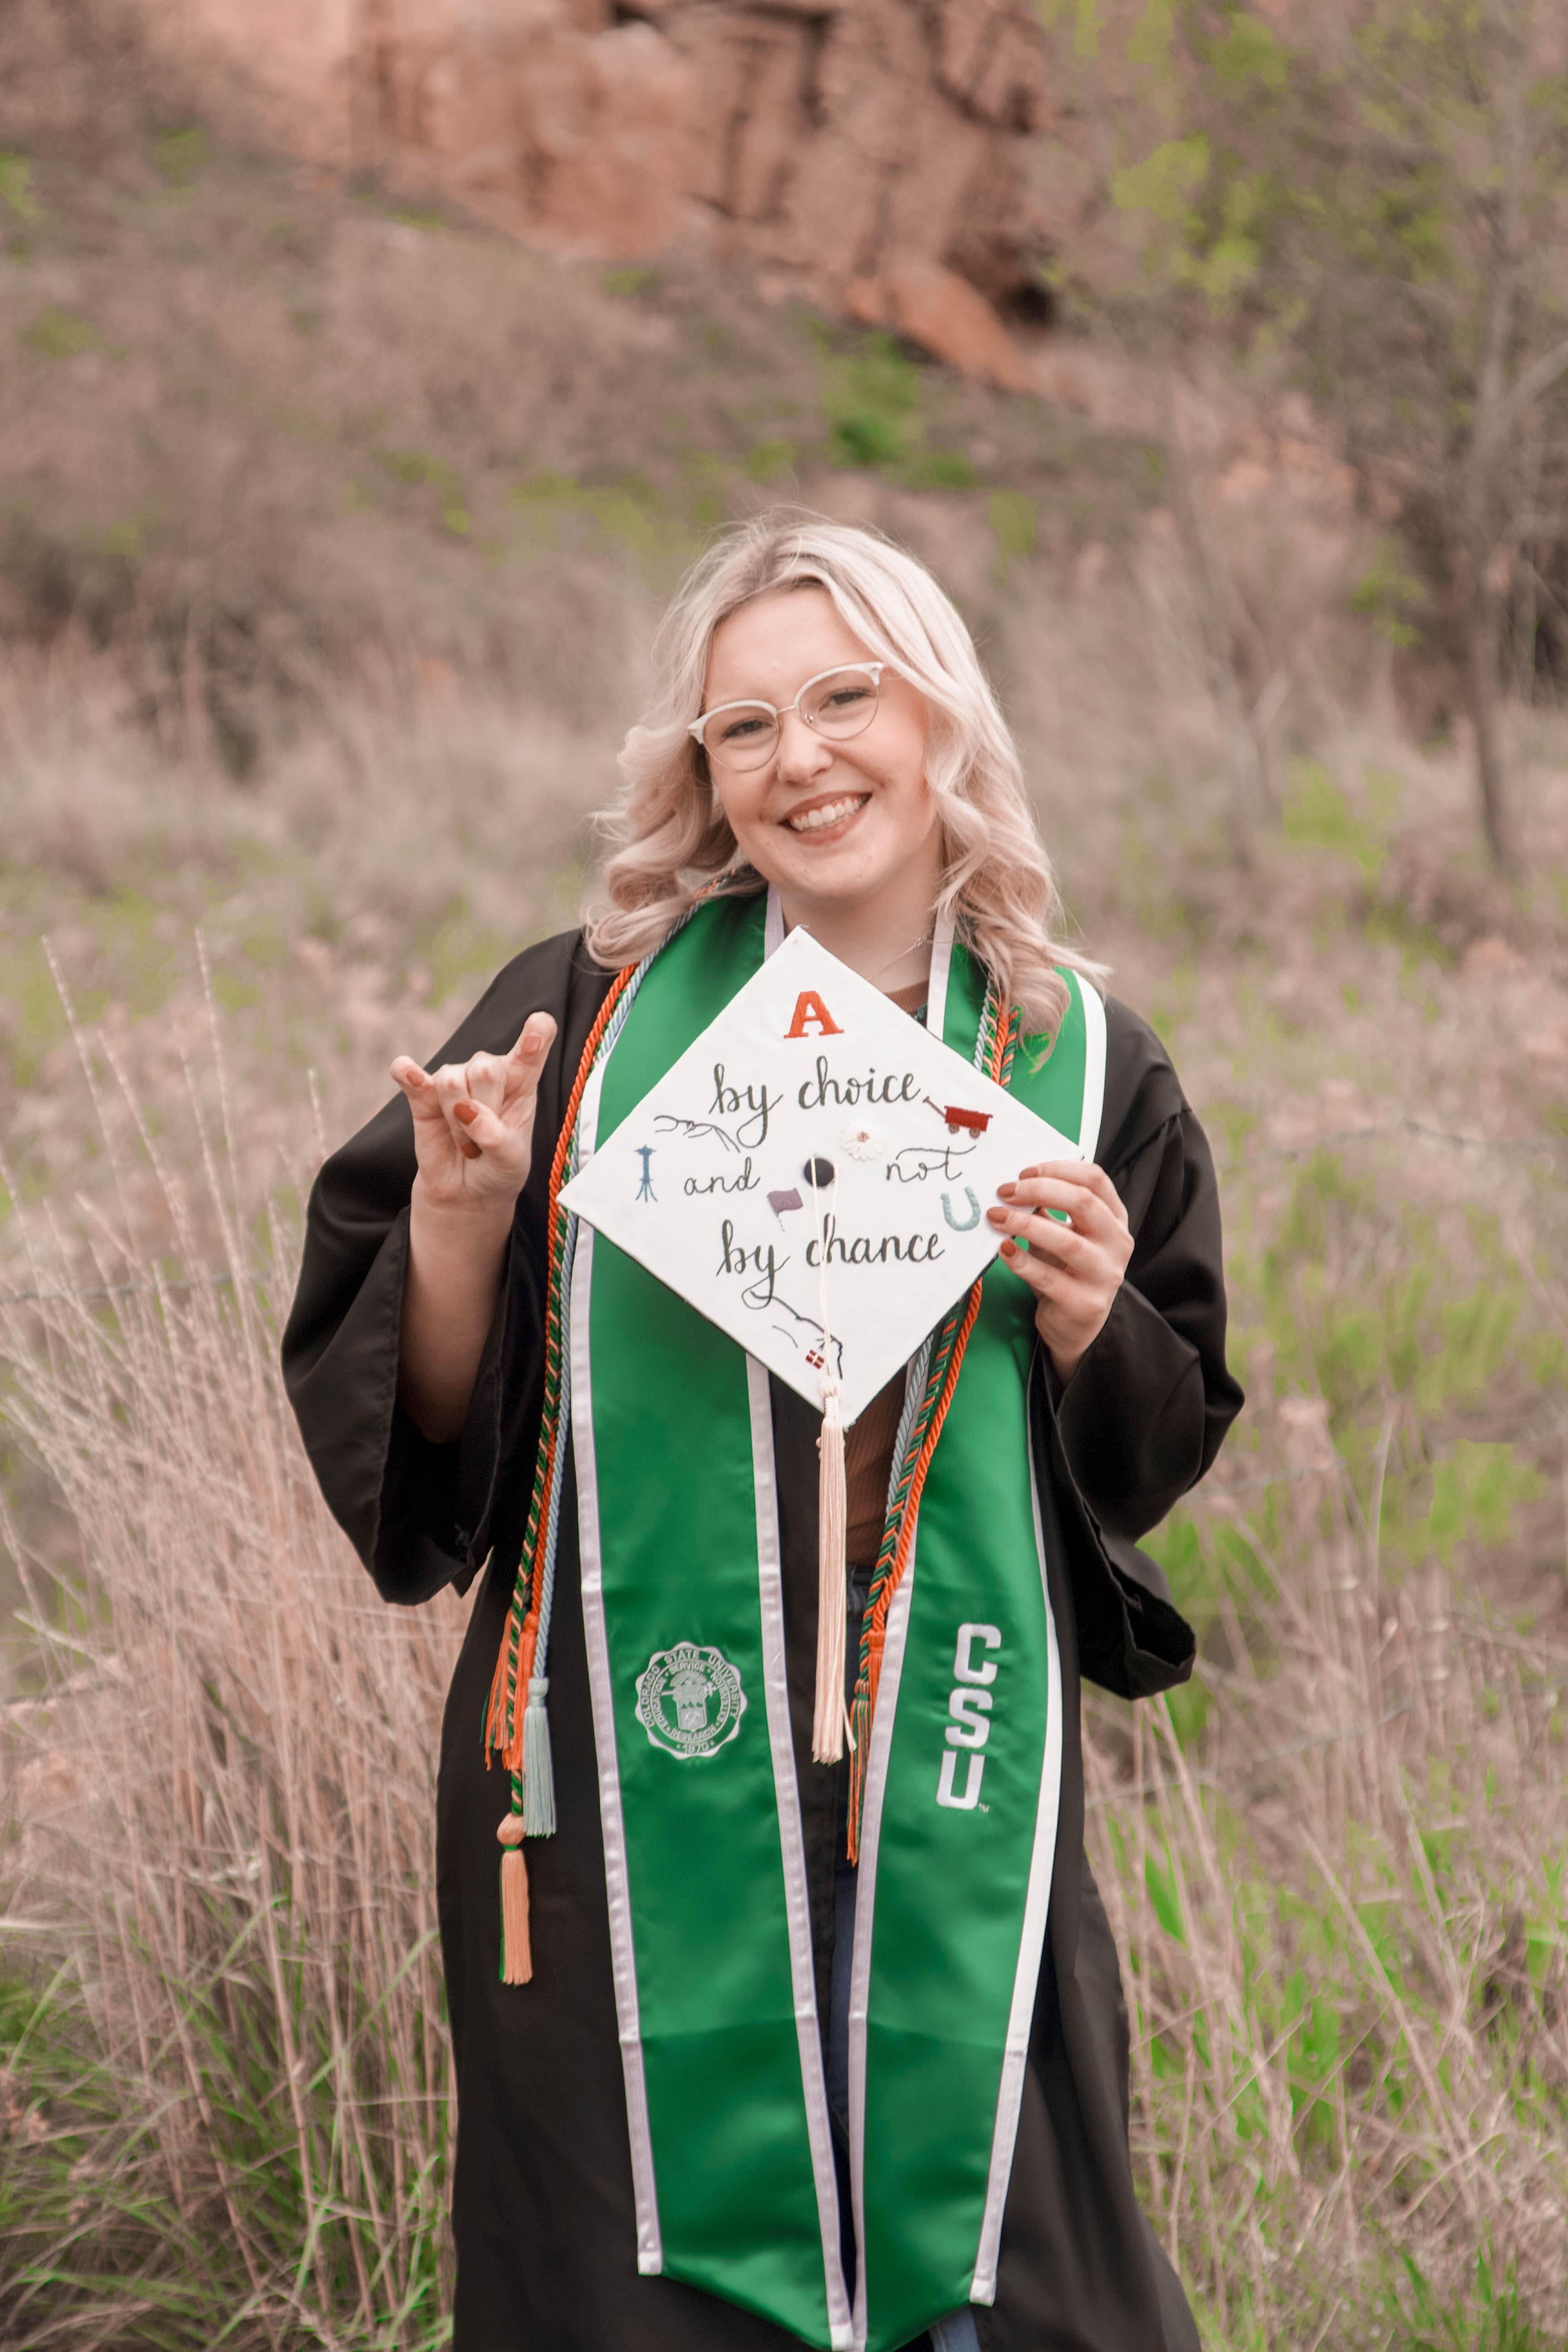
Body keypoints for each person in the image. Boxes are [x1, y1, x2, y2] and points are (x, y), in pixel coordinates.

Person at [282, 513, 1243, 2352]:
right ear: (706, 776)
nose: (801, 758)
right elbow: (424, 1456)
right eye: (746, 727)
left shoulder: (1080, 1063)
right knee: (642, 2287)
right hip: (621, 1794)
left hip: (950, 1775)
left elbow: (1155, 1449)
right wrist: (464, 1221)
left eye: (844, 699)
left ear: (938, 713)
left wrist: (1090, 1316)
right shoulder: (586, 1022)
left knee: (1000, 2279)